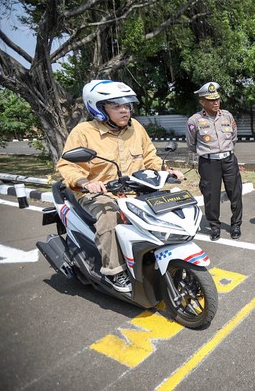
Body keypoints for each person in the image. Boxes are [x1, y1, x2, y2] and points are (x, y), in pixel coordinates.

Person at [57, 80, 184, 292]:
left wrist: (167, 171)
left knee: (167, 205)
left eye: (127, 105)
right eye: (116, 106)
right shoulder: (84, 132)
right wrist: (86, 182)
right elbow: (67, 165)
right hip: (98, 193)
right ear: (98, 108)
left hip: (134, 188)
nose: (125, 110)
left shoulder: (136, 128)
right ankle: (114, 271)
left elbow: (150, 157)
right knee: (109, 216)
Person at [187, 82, 243, 242]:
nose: (216, 102)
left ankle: (236, 225)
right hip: (209, 163)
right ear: (202, 102)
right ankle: (215, 227)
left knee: (235, 193)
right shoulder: (194, 120)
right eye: (211, 100)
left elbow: (234, 137)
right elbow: (191, 144)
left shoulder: (227, 116)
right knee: (211, 196)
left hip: (228, 159)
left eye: (217, 99)